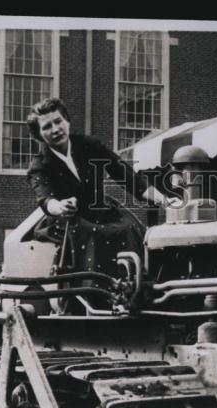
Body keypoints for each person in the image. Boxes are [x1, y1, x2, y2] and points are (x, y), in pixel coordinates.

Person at [25, 97, 172, 276]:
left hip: (103, 212)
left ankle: (138, 287)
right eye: (47, 127)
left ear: (67, 121)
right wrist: (60, 206)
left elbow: (127, 176)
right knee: (91, 234)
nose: (55, 129)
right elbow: (45, 198)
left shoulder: (90, 145)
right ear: (39, 135)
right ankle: (96, 295)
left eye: (58, 121)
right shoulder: (39, 165)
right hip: (69, 221)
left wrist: (164, 200)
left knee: (131, 228)